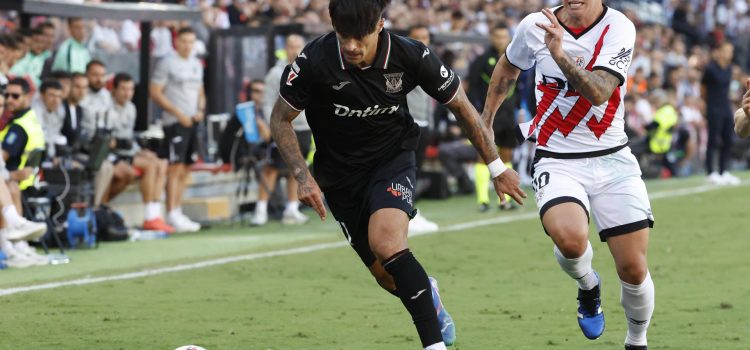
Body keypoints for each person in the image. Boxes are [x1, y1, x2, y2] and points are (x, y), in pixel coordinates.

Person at [270, 1, 525, 349]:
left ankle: (433, 345)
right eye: (344, 37)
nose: (351, 47)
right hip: (339, 177)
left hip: (392, 158)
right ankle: (428, 291)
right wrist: (302, 176)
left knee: (388, 243)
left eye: (359, 38)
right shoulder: (314, 60)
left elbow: (462, 108)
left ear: (380, 25)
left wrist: (497, 167)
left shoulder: (411, 55)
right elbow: (280, 119)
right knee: (388, 277)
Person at [482, 2, 655, 349]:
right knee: (572, 241)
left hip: (612, 159)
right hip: (557, 158)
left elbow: (599, 92)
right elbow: (507, 68)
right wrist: (484, 121)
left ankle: (637, 340)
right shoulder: (535, 25)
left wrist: (559, 53)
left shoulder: (619, 27)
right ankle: (588, 285)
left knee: (633, 269)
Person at [102, 73, 173, 233]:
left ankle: (155, 215)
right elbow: (111, 142)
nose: (127, 93)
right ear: (114, 89)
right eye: (123, 89)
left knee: (159, 162)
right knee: (150, 165)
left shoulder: (131, 108)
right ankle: (149, 217)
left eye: (130, 89)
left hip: (127, 151)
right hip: (113, 155)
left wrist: (141, 151)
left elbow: (128, 138)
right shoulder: (106, 107)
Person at [150, 26, 204, 233]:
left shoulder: (196, 63)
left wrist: (200, 109)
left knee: (186, 167)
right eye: (184, 41)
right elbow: (155, 92)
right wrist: (177, 113)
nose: (187, 45)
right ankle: (171, 212)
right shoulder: (167, 63)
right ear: (176, 42)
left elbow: (200, 90)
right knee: (175, 167)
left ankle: (178, 210)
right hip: (174, 122)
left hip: (192, 121)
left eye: (191, 41)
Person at [255, 34, 311, 226]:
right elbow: (267, 101)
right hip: (283, 127)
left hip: (304, 127)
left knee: (297, 168)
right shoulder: (275, 73)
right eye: (291, 46)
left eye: (298, 46)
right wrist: (275, 124)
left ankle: (291, 208)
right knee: (272, 167)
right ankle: (260, 209)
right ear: (285, 48)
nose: (294, 50)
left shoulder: (310, 70)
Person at [468, 22, 519, 211]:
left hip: (508, 116)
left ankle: (504, 200)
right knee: (484, 156)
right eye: (497, 36)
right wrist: (476, 113)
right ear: (491, 37)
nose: (501, 40)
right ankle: (483, 200)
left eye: (504, 36)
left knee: (506, 154)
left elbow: (518, 87)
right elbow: (471, 88)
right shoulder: (481, 61)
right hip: (488, 116)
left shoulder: (515, 59)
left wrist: (519, 107)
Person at [405, 24, 439, 233]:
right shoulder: (406, 61)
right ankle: (405, 214)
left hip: (425, 123)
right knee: (407, 170)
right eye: (416, 37)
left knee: (415, 169)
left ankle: (408, 211)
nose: (421, 41)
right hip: (410, 123)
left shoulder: (430, 60)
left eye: (424, 36)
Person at [702, 41, 740, 185]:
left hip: (725, 107)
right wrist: (707, 103)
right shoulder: (711, 69)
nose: (730, 53)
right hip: (714, 107)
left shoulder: (729, 69)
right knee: (713, 140)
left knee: (728, 139)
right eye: (727, 50)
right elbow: (703, 88)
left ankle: (724, 171)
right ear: (720, 51)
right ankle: (711, 171)